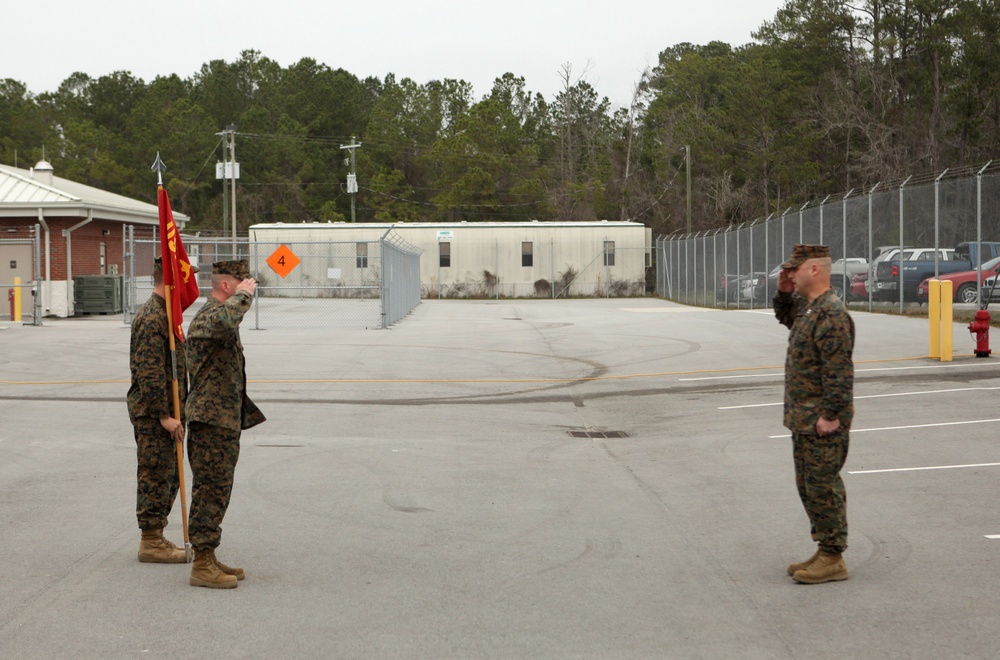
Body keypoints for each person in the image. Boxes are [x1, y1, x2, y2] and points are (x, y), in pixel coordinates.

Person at [773, 244, 855, 584]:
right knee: (808, 486)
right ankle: (824, 548)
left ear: (815, 270)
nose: (790, 274)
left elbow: (839, 371)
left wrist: (830, 414)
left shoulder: (831, 314)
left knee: (822, 486)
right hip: (804, 418)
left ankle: (833, 556)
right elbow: (785, 315)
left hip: (821, 420)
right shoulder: (810, 309)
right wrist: (783, 292)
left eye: (795, 269)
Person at [184, 259, 265, 589]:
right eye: (241, 282)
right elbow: (226, 320)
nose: (247, 287)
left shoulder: (220, 315)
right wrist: (244, 297)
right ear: (225, 286)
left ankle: (209, 554)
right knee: (209, 489)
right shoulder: (209, 317)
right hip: (210, 421)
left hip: (222, 419)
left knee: (218, 489)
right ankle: (202, 563)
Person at [127, 257, 198, 563]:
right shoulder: (152, 318)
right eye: (186, 279)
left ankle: (157, 534)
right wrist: (163, 416)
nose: (191, 285)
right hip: (155, 415)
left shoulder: (167, 315)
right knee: (156, 474)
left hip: (170, 412)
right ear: (171, 281)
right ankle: (151, 541)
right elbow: (149, 372)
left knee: (170, 475)